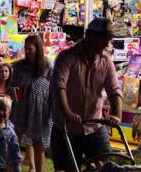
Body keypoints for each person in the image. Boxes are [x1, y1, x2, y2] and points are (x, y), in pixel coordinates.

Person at [50, 17, 123, 172]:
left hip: (94, 125)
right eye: (104, 39)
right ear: (90, 36)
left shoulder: (106, 61)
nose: (106, 44)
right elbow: (59, 86)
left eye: (109, 39)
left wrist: (116, 115)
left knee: (105, 166)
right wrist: (68, 112)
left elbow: (114, 91)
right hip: (66, 127)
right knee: (66, 167)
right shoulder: (67, 57)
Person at [10, 35, 53, 172]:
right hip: (20, 109)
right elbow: (10, 83)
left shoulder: (48, 67)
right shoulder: (19, 66)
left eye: (30, 49)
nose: (27, 52)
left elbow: (55, 89)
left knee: (38, 144)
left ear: (38, 49)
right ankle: (12, 168)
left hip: (40, 111)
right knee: (14, 140)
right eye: (26, 48)